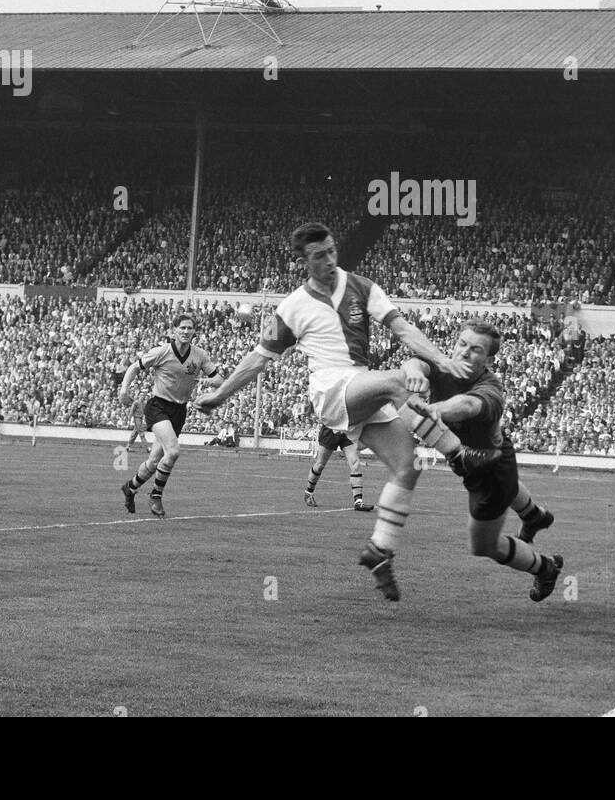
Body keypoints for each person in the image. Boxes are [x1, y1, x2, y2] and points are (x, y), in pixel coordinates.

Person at [195, 222, 497, 601]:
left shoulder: (362, 286)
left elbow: (402, 329)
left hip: (361, 386)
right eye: (320, 255)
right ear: (303, 260)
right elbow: (259, 359)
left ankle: (379, 550)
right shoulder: (292, 307)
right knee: (399, 379)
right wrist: (220, 394)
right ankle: (459, 457)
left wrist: (439, 359)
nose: (330, 260)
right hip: (330, 389)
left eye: (333, 251)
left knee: (408, 466)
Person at [403, 320, 563, 602]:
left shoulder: (490, 388)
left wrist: (432, 409)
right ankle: (534, 515)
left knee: (483, 545)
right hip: (485, 453)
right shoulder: (443, 364)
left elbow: (467, 406)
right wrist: (414, 372)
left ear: (488, 360)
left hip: (489, 470)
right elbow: (415, 364)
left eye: (475, 349)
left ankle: (545, 567)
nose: (464, 352)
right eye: (462, 344)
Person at [117, 313, 222, 518]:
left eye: (189, 328)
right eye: (182, 328)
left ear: (194, 332)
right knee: (172, 452)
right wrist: (123, 390)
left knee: (154, 462)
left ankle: (130, 487)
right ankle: (156, 495)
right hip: (158, 407)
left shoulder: (200, 355)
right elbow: (133, 367)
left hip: (178, 411)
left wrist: (210, 382)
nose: (185, 331)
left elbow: (219, 379)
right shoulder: (162, 352)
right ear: (173, 331)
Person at [304, 423, 374, 511]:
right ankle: (309, 493)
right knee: (320, 465)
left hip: (347, 430)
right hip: (331, 429)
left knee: (355, 463)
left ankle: (358, 502)